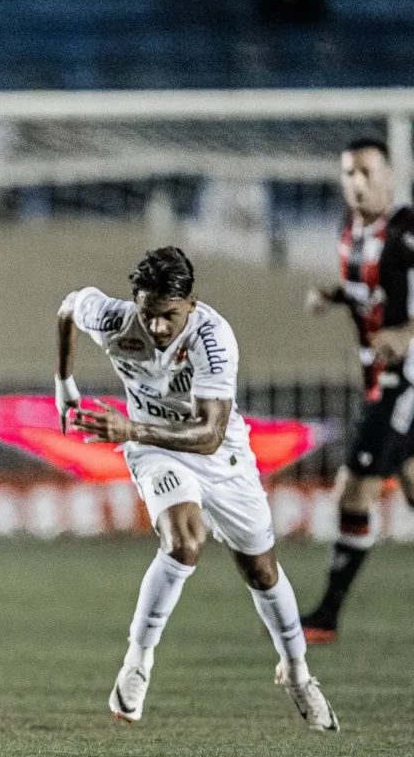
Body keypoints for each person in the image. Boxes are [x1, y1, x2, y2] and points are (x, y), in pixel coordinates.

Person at [56, 246, 339, 731]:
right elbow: (67, 307)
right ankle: (137, 663)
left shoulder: (214, 338)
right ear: (135, 303)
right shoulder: (113, 319)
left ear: (191, 304)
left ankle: (297, 672)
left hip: (220, 455)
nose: (159, 328)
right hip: (155, 451)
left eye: (169, 316)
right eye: (149, 315)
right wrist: (64, 381)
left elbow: (209, 435)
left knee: (262, 570)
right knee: (184, 542)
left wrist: (129, 430)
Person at [301, 138, 414, 644]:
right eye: (349, 173)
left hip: (405, 382)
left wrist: (406, 334)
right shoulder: (351, 231)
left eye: (368, 172)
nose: (358, 182)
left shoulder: (407, 235)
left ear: (391, 176)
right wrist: (334, 293)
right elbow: (370, 294)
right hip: (378, 381)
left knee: (353, 489)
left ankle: (325, 616)